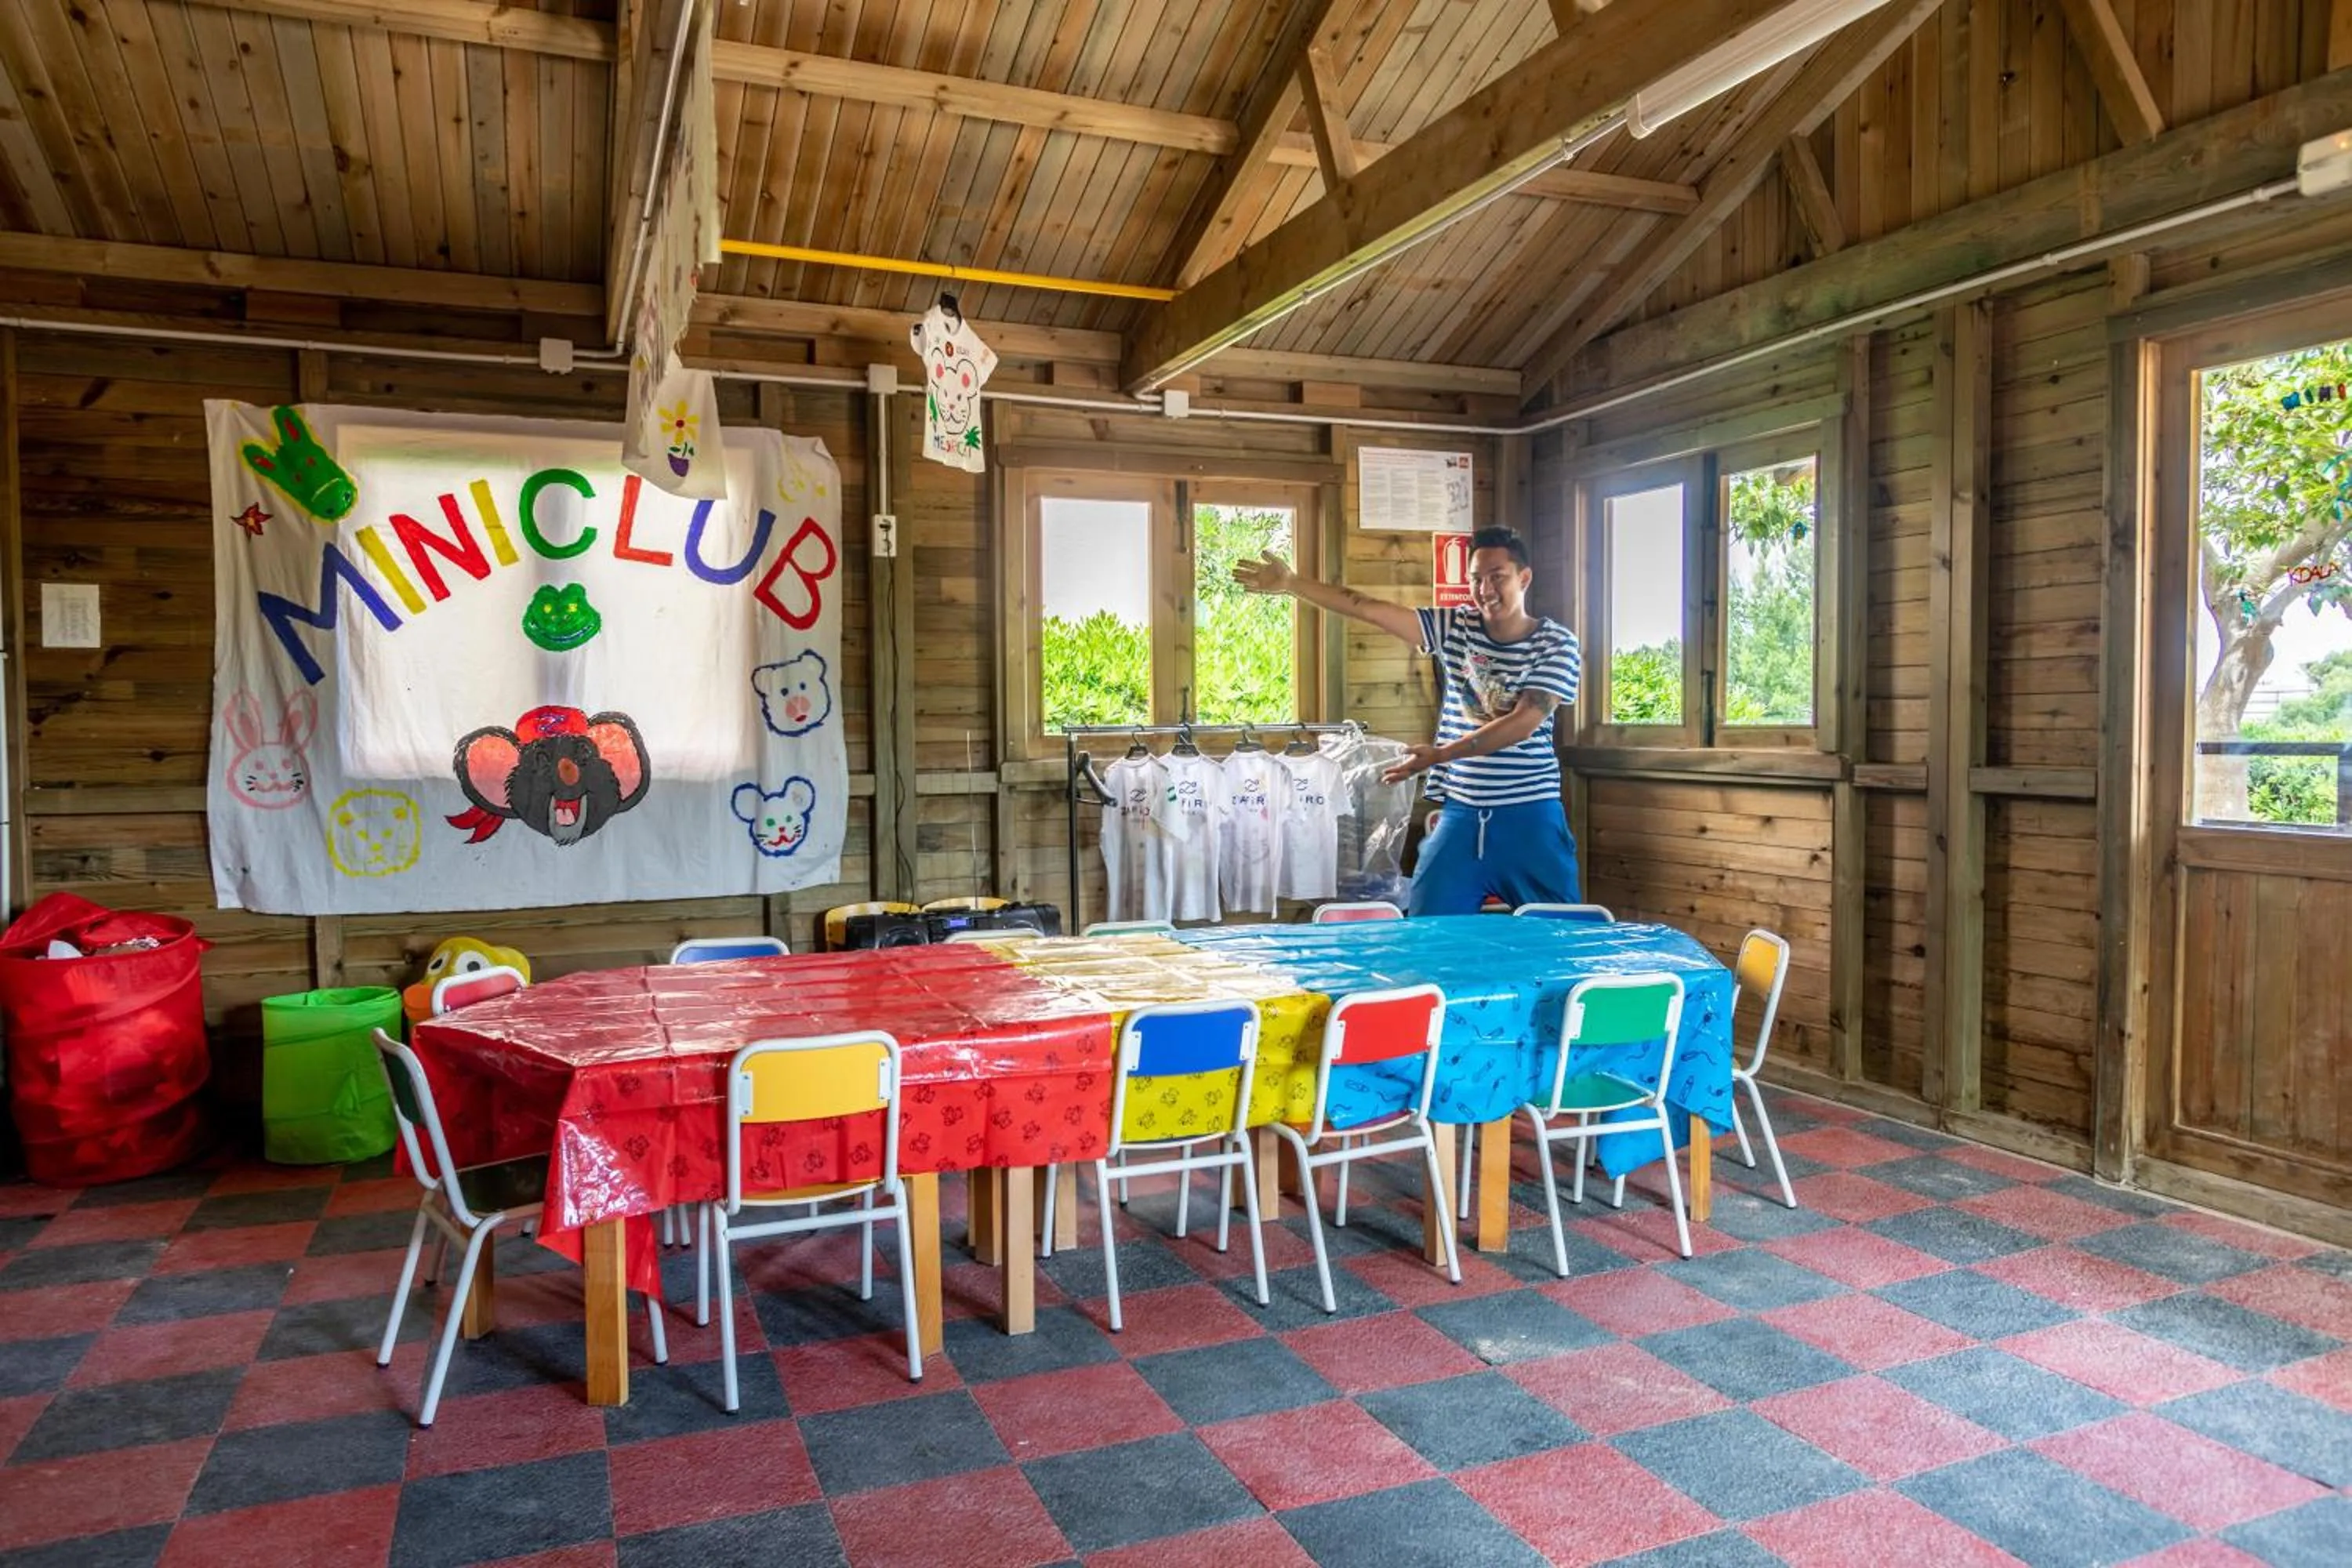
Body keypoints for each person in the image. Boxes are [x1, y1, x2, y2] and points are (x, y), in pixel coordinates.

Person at [1232, 526, 1582, 915]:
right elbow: (1366, 606)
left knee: (1563, 932)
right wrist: (1292, 583)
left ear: (1524, 578)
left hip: (1531, 816)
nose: (1485, 589)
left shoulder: (1556, 644)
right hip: (1461, 815)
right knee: (1425, 930)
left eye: (1497, 577)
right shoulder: (1454, 627)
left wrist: (1440, 754)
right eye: (1476, 579)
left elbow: (1524, 722)